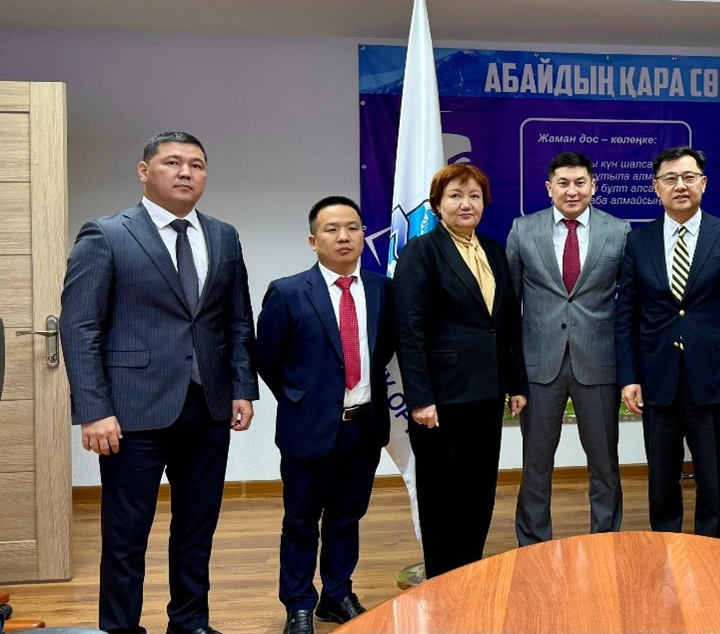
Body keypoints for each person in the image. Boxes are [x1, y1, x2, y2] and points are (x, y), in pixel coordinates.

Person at [59, 131, 256, 634]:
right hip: (131, 412)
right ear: (144, 171)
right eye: (172, 162)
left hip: (207, 407)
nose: (186, 172)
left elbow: (237, 320)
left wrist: (242, 387)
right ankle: (121, 628)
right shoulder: (106, 234)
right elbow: (80, 328)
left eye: (197, 164)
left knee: (197, 528)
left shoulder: (224, 236)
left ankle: (189, 622)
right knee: (126, 535)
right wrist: (94, 410)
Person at [254, 196, 396, 634]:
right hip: (308, 428)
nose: (344, 236)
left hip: (364, 426)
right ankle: (298, 603)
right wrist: (301, 399)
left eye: (352, 227)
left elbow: (385, 349)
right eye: (332, 229)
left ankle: (337, 594)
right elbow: (267, 357)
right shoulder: (288, 291)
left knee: (347, 517)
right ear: (313, 240)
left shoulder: (382, 289)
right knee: (300, 521)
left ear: (363, 235)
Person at [391, 164, 528, 577]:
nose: (465, 204)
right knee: (441, 491)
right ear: (437, 204)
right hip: (441, 397)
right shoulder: (421, 251)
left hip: (487, 391)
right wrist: (420, 398)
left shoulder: (494, 251)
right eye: (455, 195)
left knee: (479, 488)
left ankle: (469, 572)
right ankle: (442, 578)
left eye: (474, 196)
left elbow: (507, 323)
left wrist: (516, 383)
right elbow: (409, 330)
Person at [614, 146, 720, 537]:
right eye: (670, 178)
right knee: (661, 477)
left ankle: (709, 549)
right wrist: (629, 376)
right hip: (657, 376)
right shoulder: (638, 241)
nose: (680, 185)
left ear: (703, 184)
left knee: (712, 476)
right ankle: (666, 545)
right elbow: (626, 316)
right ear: (656, 186)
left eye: (689, 177)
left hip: (713, 378)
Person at [507, 151, 631, 545]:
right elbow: (508, 306)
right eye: (563, 183)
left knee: (604, 464)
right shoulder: (523, 230)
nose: (572, 191)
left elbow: (630, 303)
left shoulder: (619, 231)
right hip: (539, 365)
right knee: (535, 464)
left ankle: (604, 542)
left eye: (580, 182)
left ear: (594, 186)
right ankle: (533, 543)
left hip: (599, 362)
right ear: (549, 188)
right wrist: (513, 373)